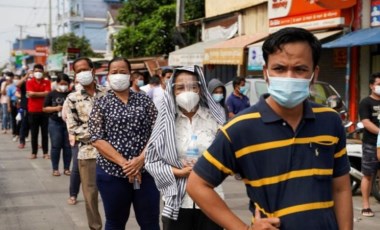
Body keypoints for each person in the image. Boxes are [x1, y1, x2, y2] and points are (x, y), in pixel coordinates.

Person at [187, 27, 353, 230]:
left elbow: (341, 188)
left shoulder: (330, 120)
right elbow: (197, 185)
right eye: (280, 69)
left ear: (314, 74)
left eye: (300, 69)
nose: (289, 77)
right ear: (266, 73)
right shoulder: (240, 128)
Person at [145, 66, 225, 230]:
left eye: (192, 87)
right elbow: (151, 161)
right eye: (181, 87)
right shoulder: (166, 122)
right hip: (177, 201)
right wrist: (179, 172)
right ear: (172, 90)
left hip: (212, 197)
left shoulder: (214, 118)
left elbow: (227, 155)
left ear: (200, 89)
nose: (187, 91)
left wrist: (208, 167)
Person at [89, 57, 159, 230]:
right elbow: (97, 138)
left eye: (123, 72)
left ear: (130, 76)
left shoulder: (144, 100)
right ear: (108, 76)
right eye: (114, 72)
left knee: (150, 223)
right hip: (111, 173)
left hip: (146, 171)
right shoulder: (101, 103)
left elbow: (158, 131)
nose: (118, 75)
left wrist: (140, 160)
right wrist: (126, 164)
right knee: (115, 222)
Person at [65, 57, 104, 230]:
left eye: (84, 69)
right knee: (90, 195)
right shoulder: (72, 99)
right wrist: (101, 136)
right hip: (88, 153)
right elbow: (74, 128)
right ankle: (95, 227)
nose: (82, 73)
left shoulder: (108, 93)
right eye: (78, 71)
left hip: (114, 153)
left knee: (115, 195)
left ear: (93, 70)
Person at [358, 72, 380, 217]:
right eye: (378, 84)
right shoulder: (366, 102)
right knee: (368, 175)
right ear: (372, 86)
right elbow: (366, 123)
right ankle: (366, 206)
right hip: (371, 144)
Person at [43, 73, 72, 177]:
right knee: (56, 146)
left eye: (65, 83)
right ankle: (55, 169)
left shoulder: (72, 94)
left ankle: (67, 168)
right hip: (55, 122)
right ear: (57, 83)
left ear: (69, 84)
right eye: (61, 83)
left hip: (69, 123)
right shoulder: (51, 94)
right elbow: (45, 108)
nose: (63, 85)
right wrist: (55, 109)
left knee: (68, 146)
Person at [26, 64, 51, 159]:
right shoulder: (29, 82)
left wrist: (34, 94)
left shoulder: (47, 82)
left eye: (40, 71)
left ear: (43, 72)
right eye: (36, 71)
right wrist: (42, 94)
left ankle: (45, 152)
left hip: (44, 110)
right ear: (33, 72)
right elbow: (30, 95)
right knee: (34, 133)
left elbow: (48, 94)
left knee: (45, 133)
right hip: (33, 110)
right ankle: (34, 152)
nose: (38, 73)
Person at [16, 70, 30, 149]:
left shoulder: (35, 83)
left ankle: (36, 143)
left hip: (35, 108)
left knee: (34, 127)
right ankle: (22, 141)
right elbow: (17, 85)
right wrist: (25, 77)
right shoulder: (24, 83)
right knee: (23, 125)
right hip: (25, 106)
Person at [7, 74, 21, 142]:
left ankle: (19, 132)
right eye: (15, 78)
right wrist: (8, 106)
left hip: (20, 104)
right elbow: (8, 97)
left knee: (20, 119)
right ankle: (14, 133)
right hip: (13, 103)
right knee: (13, 119)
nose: (16, 80)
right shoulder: (10, 87)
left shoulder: (21, 86)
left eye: (17, 78)